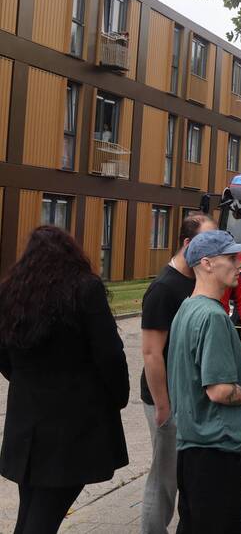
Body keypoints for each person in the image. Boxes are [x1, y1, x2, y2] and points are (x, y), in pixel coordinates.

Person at [0, 226, 129, 534]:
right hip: (72, 427)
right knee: (41, 518)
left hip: (27, 424)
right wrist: (116, 397)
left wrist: (24, 380)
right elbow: (110, 354)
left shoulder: (10, 292)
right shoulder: (84, 289)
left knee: (32, 509)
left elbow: (2, 354)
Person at [168, 231, 241, 533]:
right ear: (207, 263)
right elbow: (219, 391)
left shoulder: (186, 309)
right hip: (217, 450)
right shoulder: (213, 317)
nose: (240, 265)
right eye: (231, 258)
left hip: (193, 448)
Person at [139, 212, 217, 534]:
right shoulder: (164, 289)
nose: (213, 249)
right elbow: (151, 353)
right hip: (165, 399)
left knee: (183, 474)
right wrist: (163, 406)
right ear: (188, 244)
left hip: (188, 396)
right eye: (207, 241)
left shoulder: (196, 280)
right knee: (164, 478)